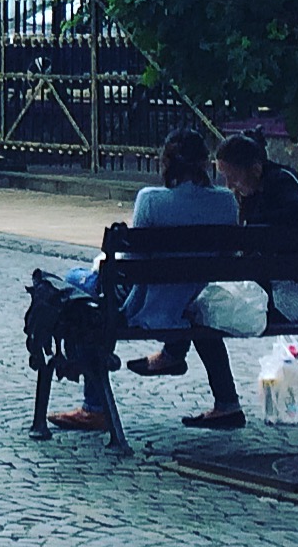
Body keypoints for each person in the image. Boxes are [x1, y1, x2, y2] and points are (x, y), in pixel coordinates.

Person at [51, 128, 240, 434]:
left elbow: (132, 264)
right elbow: (227, 257)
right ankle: (222, 397)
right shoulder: (226, 202)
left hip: (149, 302)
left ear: (166, 163)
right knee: (189, 304)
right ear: (205, 163)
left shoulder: (151, 199)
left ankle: (94, 408)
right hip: (194, 300)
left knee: (75, 284)